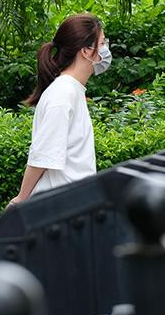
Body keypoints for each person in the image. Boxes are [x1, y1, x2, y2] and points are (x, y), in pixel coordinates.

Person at [9, 14, 112, 206]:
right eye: (102, 43)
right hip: (59, 210)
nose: (106, 50)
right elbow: (43, 156)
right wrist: (20, 200)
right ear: (86, 51)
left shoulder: (72, 91)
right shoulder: (63, 94)